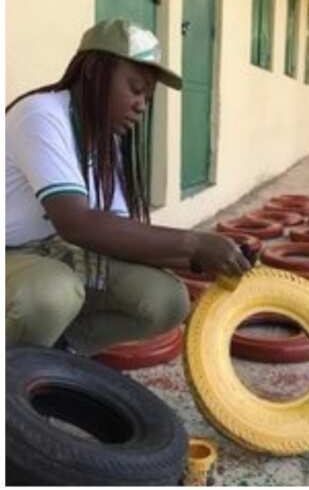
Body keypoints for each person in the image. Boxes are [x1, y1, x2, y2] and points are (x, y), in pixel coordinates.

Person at [5, 18, 251, 355]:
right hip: (13, 255)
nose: (141, 105)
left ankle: (62, 354)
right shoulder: (41, 115)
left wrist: (208, 259)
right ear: (92, 70)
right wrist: (194, 244)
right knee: (50, 294)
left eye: (147, 97)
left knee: (165, 297)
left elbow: (117, 233)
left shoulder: (106, 140)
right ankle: (17, 381)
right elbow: (76, 224)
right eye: (135, 89)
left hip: (50, 251)